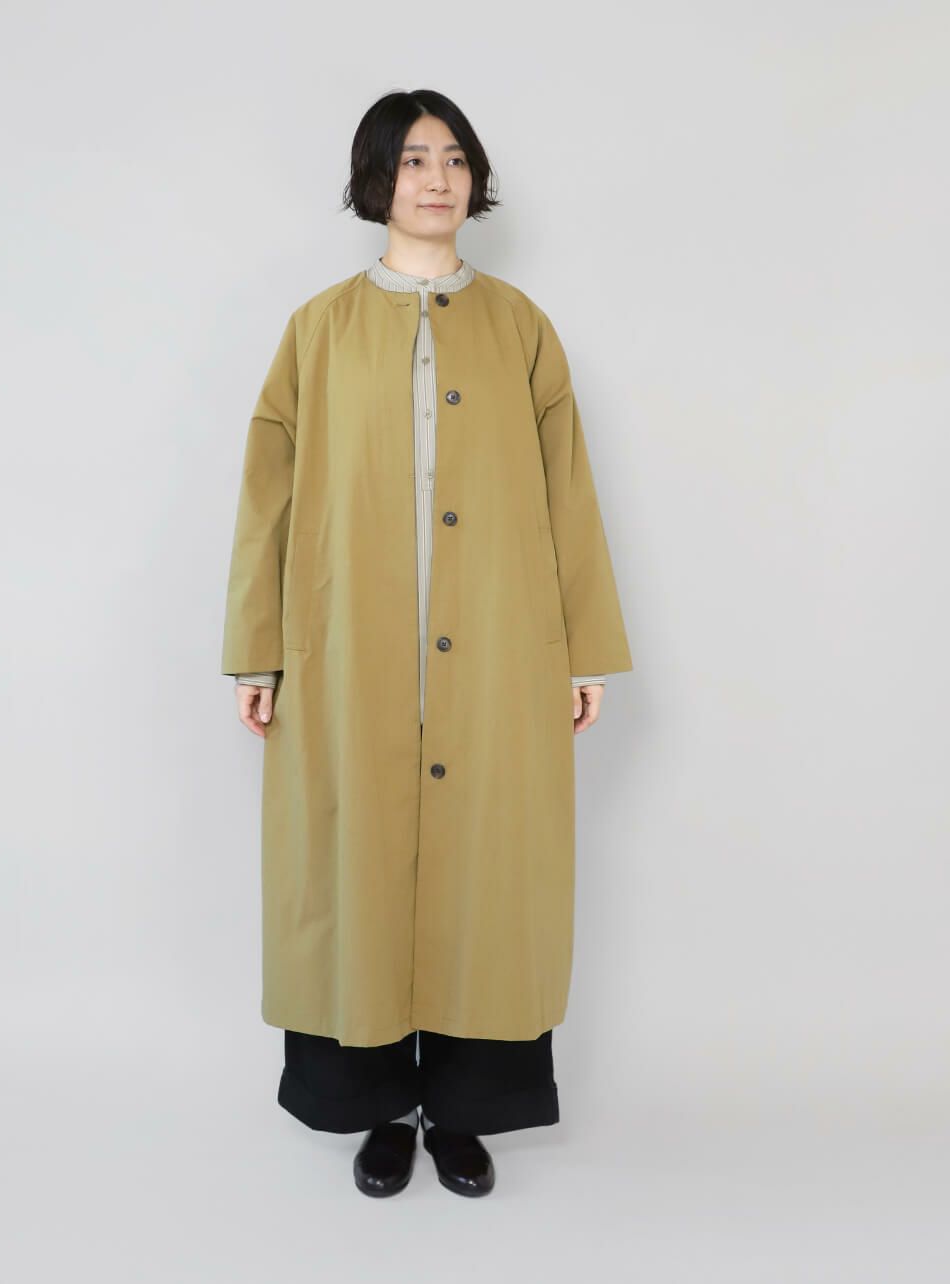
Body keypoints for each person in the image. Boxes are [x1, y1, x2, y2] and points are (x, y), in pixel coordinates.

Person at [221, 88, 633, 1197]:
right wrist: (258, 650)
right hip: (348, 654)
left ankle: (464, 1112)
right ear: (376, 180)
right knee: (351, 865)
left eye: (453, 158)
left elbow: (567, 493)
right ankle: (374, 1110)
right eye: (412, 160)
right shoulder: (317, 330)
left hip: (495, 654)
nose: (437, 179)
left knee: (487, 872)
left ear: (475, 179)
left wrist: (581, 650)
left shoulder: (519, 327)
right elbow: (267, 498)